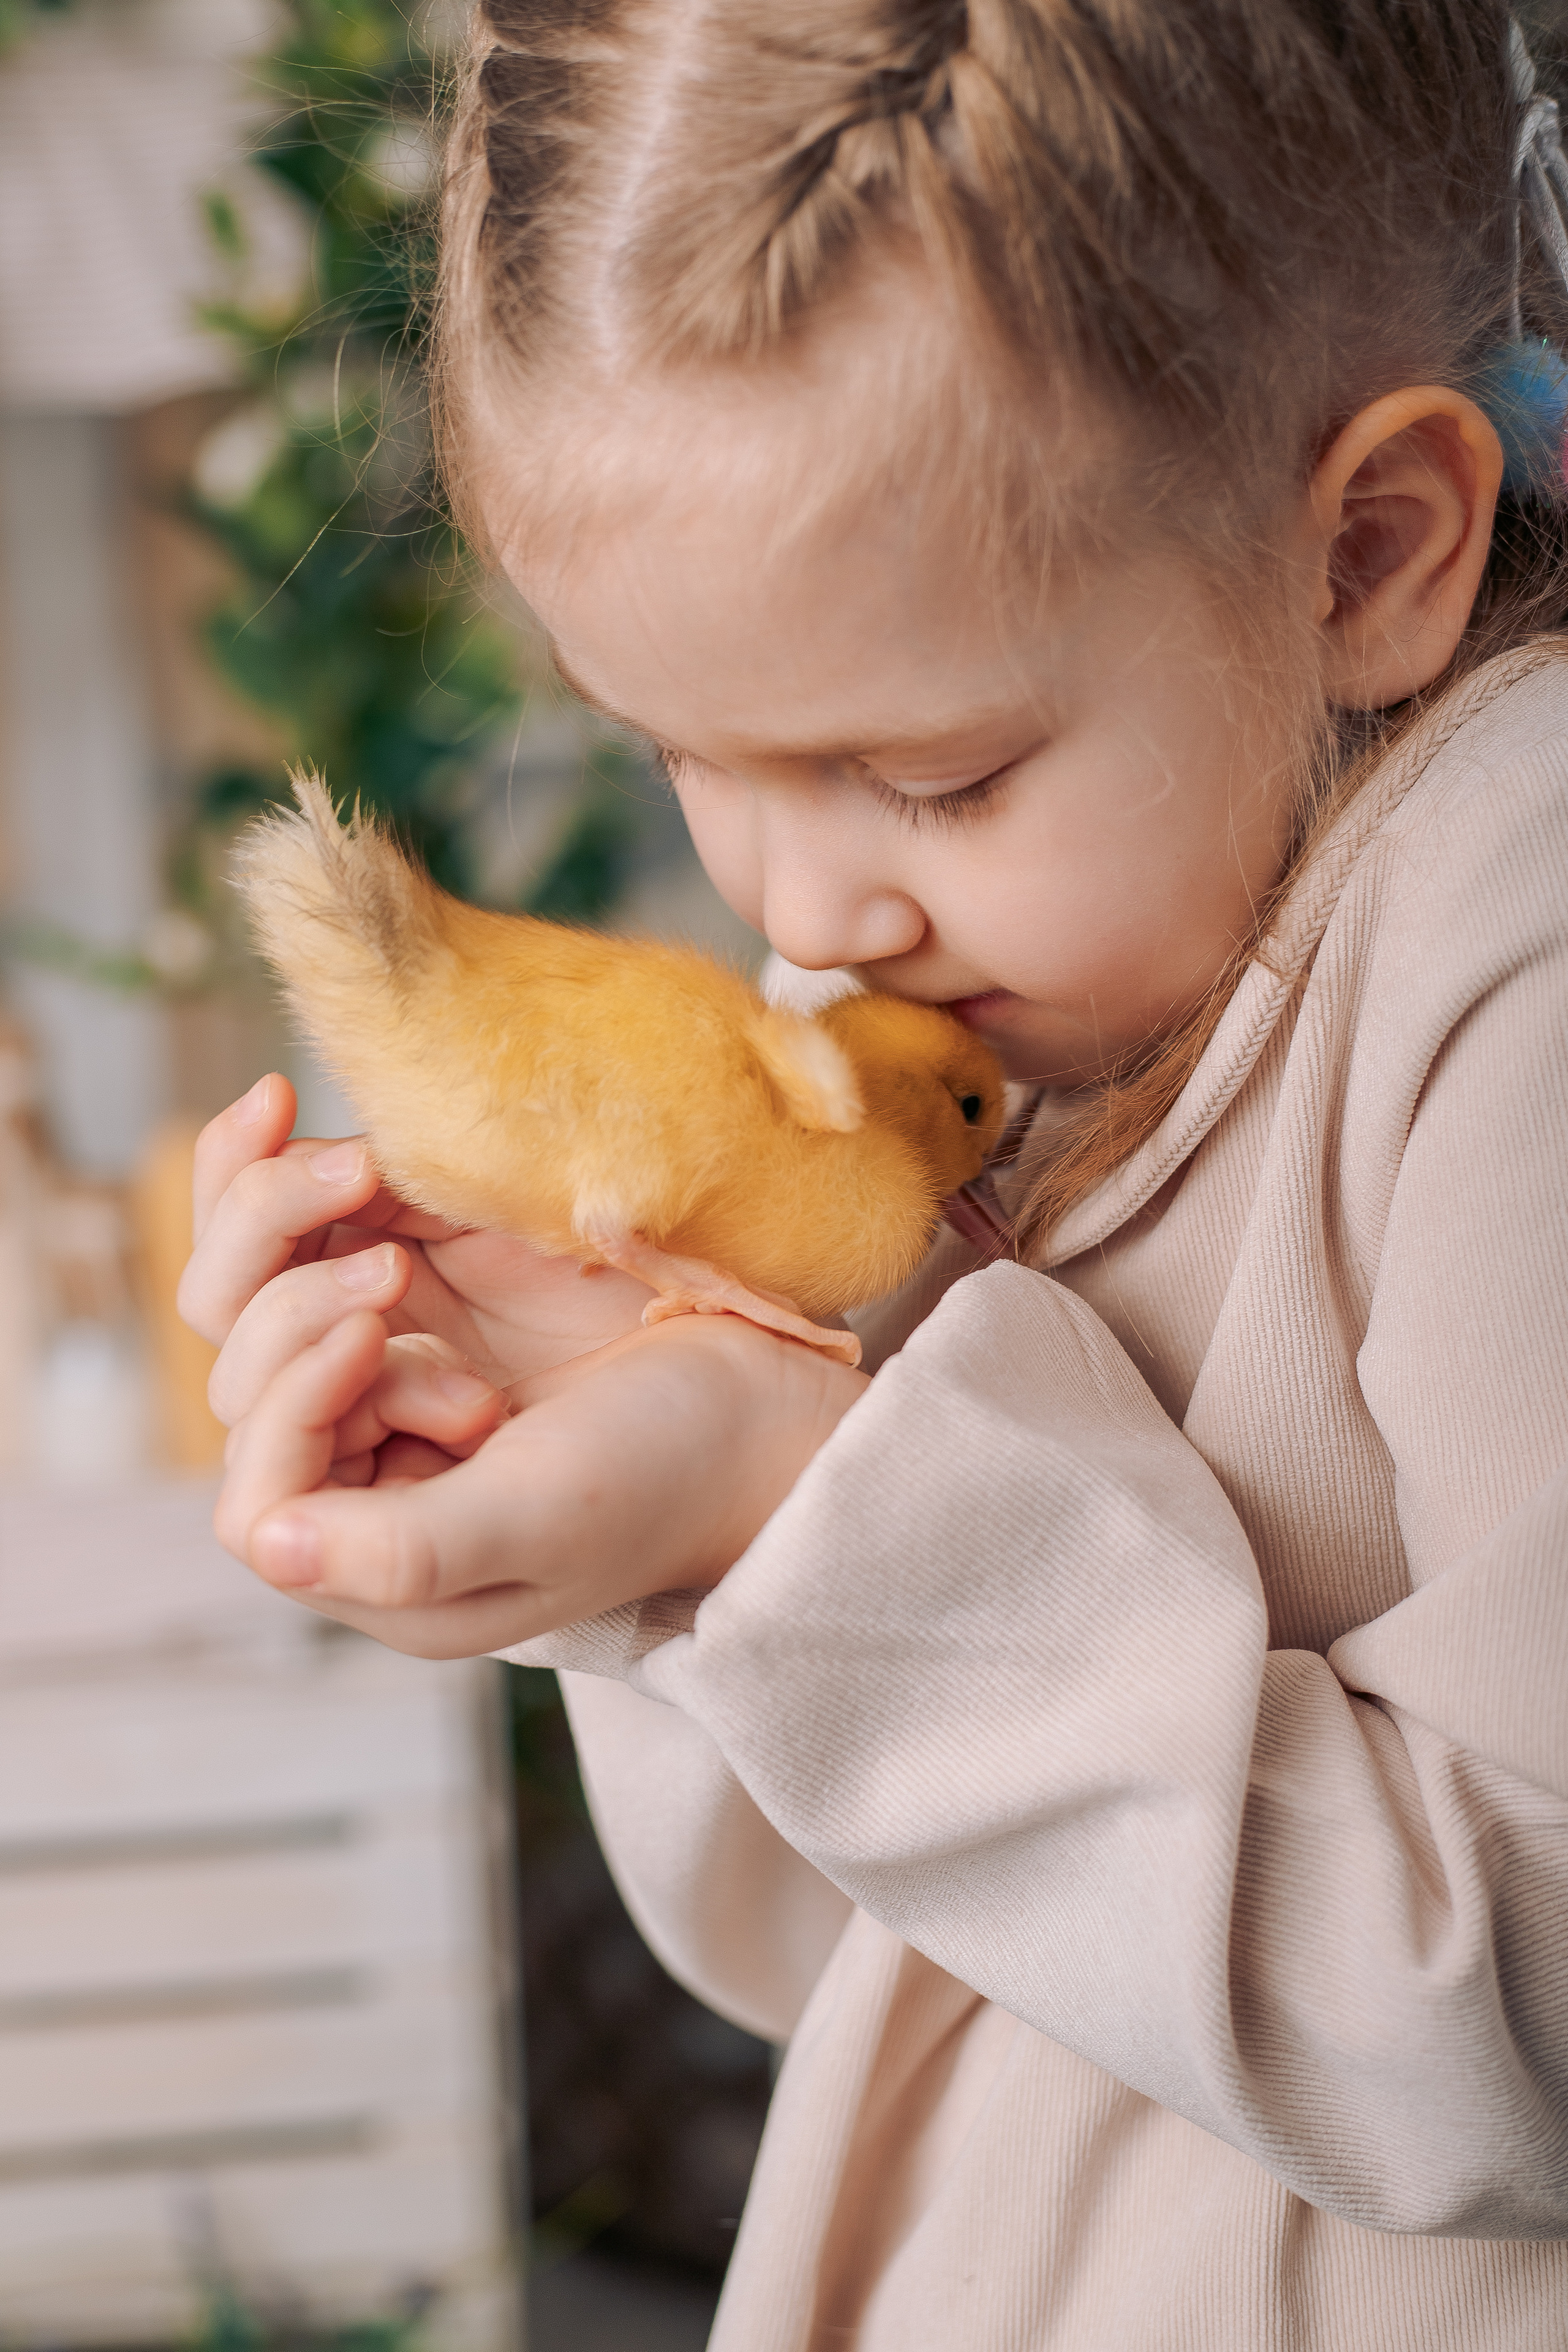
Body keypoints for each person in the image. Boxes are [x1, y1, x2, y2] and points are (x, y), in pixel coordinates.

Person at [179, 4, 1568, 2342]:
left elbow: (1518, 2038)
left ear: (1368, 553)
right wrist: (642, 1489)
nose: (809, 911)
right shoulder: (966, 1013)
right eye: (676, 749)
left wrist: (813, 1499)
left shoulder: (1510, 958)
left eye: (927, 777)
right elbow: (828, 1958)